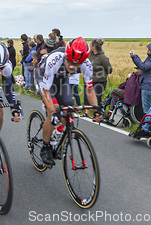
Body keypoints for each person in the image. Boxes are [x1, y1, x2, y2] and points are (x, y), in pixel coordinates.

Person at [35, 37, 102, 165]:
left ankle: (57, 134)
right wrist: (53, 112)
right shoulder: (55, 60)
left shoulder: (86, 64)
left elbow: (90, 89)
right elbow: (46, 91)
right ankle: (45, 146)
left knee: (69, 110)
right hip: (44, 78)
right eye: (70, 62)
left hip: (61, 80)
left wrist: (96, 109)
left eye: (76, 64)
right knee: (53, 111)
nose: (72, 66)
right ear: (66, 55)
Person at [130, 42, 151, 113]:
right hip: (149, 85)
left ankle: (149, 123)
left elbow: (143, 67)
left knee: (147, 108)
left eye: (149, 50)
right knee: (150, 108)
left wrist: (135, 56)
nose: (147, 51)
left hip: (148, 85)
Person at [86, 38, 112, 107]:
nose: (89, 46)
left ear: (94, 46)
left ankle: (97, 114)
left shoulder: (103, 58)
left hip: (99, 81)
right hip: (90, 80)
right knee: (87, 96)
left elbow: (110, 70)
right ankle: (87, 113)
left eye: (90, 44)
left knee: (96, 98)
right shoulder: (89, 55)